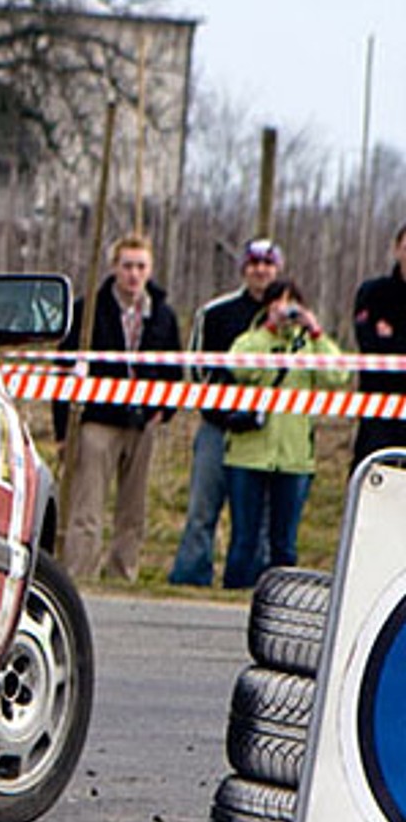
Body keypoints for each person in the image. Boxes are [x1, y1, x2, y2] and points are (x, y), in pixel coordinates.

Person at [55, 233, 182, 583]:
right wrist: (63, 430)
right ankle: (79, 574)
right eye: (127, 266)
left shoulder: (162, 315)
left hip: (142, 422)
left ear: (150, 269)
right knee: (87, 507)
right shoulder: (88, 311)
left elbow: (175, 368)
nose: (134, 274)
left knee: (133, 509)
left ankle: (124, 573)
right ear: (114, 268)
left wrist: (164, 410)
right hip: (97, 421)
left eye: (141, 266)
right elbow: (63, 371)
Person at [167, 237, 285, 586]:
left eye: (267, 264)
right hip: (218, 428)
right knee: (202, 509)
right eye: (253, 264)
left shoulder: (290, 319)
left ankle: (248, 580)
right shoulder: (216, 313)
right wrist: (221, 409)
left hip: (265, 433)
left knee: (256, 518)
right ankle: (191, 575)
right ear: (244, 269)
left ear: (276, 269)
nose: (260, 270)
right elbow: (197, 367)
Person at [221, 280, 351, 591]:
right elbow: (238, 367)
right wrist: (269, 330)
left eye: (292, 303)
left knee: (284, 542)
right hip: (249, 453)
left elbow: (338, 376)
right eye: (279, 302)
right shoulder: (253, 340)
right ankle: (234, 592)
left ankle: (280, 598)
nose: (286, 309)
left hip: (293, 457)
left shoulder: (309, 346)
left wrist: (316, 332)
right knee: (244, 539)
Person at [351, 223, 406, 471]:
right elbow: (368, 344)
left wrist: (392, 339)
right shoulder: (372, 292)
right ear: (397, 249)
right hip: (378, 412)